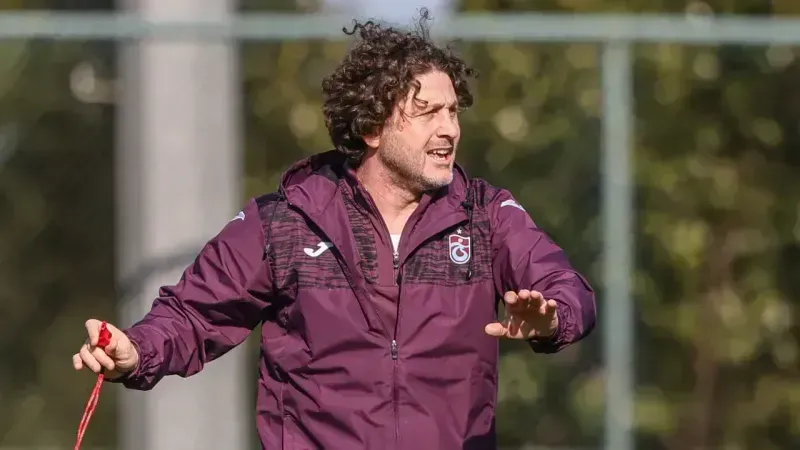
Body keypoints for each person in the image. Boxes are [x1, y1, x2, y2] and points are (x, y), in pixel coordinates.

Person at [73, 10, 596, 449]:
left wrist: (553, 318)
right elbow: (192, 315)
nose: (449, 129)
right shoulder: (286, 221)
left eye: (453, 112)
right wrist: (136, 352)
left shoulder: (487, 215)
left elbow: (567, 288)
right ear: (372, 127)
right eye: (427, 112)